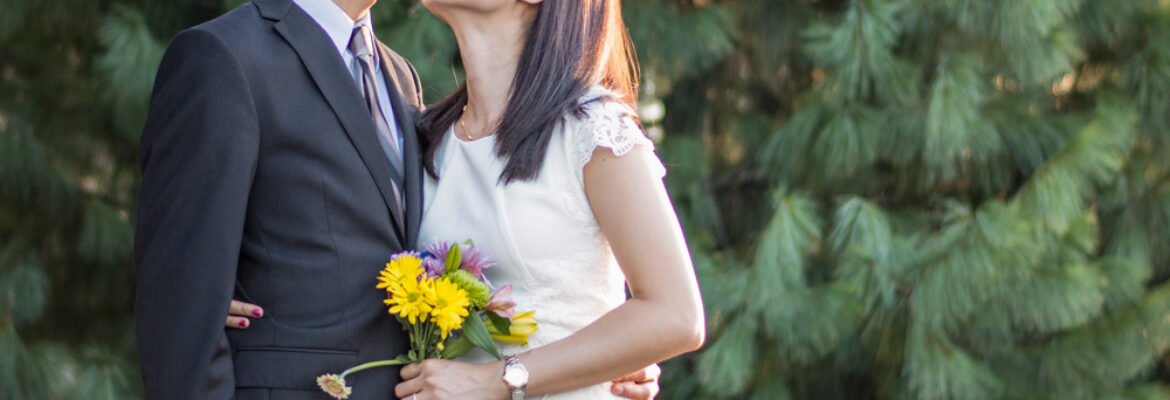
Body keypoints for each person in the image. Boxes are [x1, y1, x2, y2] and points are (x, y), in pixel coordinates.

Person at [135, 0, 662, 398]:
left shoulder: (401, 80)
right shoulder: (222, 57)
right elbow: (180, 308)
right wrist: (198, 301)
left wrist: (599, 355)